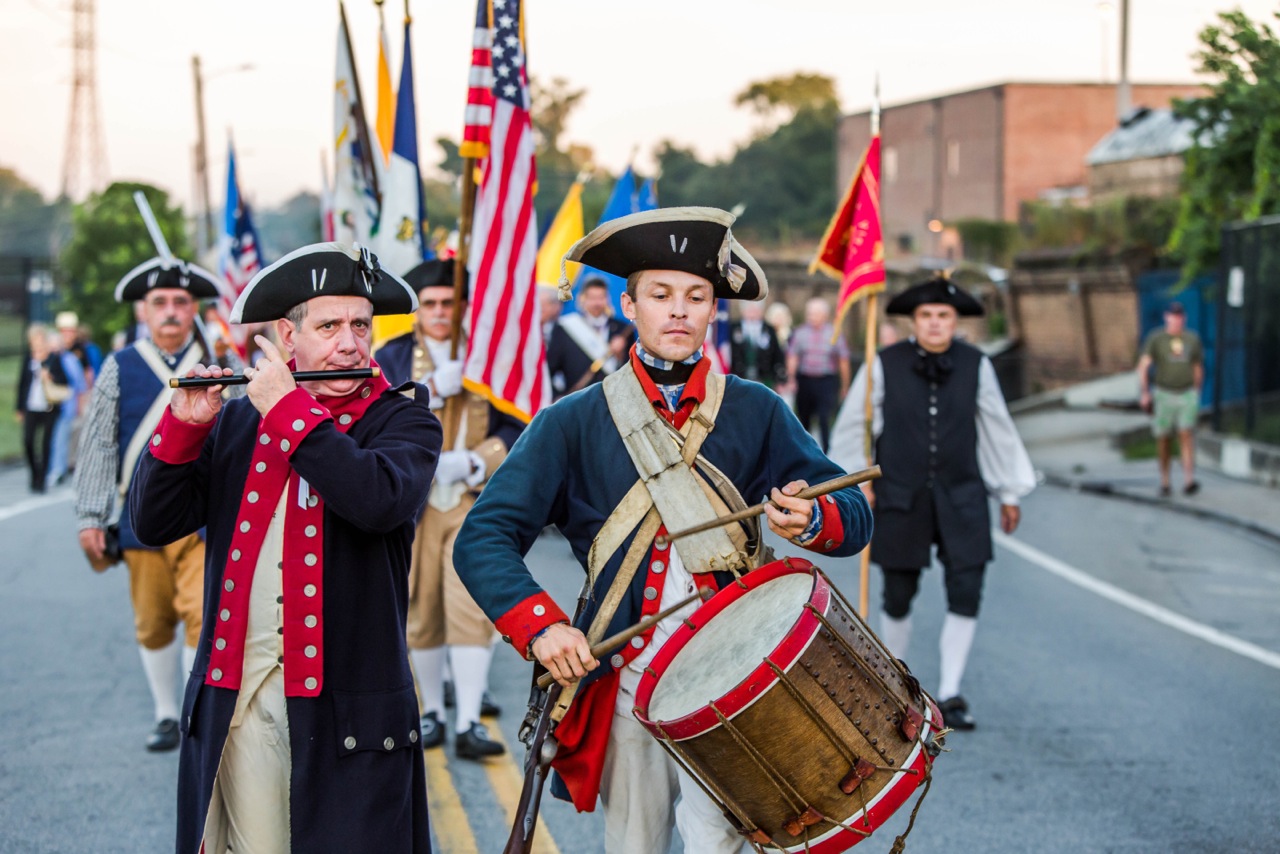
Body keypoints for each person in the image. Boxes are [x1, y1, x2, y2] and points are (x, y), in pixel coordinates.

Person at [455, 207, 872, 854]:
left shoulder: (757, 409)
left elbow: (852, 515)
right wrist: (542, 626)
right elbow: (484, 536)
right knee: (635, 844)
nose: (678, 311)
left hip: (740, 671)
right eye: (660, 295)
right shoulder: (571, 421)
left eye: (696, 297)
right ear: (630, 305)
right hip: (628, 672)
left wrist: (813, 517)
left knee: (721, 841)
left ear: (713, 312)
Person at [129, 243, 438, 854]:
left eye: (360, 325)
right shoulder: (239, 421)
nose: (349, 343)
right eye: (328, 327)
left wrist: (289, 410)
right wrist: (187, 425)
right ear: (286, 338)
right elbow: (151, 520)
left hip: (350, 711)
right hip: (243, 701)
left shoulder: (404, 421)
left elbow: (376, 499)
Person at [829, 274, 1035, 731]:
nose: (936, 324)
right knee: (898, 593)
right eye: (926, 316)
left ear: (955, 320)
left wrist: (1009, 490)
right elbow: (852, 426)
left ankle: (950, 692)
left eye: (944, 316)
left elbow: (997, 426)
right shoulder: (882, 363)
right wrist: (856, 479)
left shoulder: (977, 364)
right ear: (913, 321)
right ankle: (897, 688)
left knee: (967, 588)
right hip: (900, 495)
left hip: (963, 494)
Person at [75, 257, 227, 752]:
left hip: (202, 516)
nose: (170, 311)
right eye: (159, 302)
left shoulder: (216, 357)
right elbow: (99, 443)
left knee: (203, 612)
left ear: (194, 309)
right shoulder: (119, 367)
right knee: (153, 617)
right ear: (143, 310)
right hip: (140, 514)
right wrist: (92, 516)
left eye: (181, 302)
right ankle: (165, 712)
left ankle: (191, 708)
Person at [375, 257, 523, 759]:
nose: (440, 312)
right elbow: (374, 416)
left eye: (448, 303)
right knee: (421, 607)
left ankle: (467, 722)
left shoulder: (488, 360)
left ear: (462, 307)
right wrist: (433, 390)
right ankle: (431, 712)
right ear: (418, 311)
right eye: (431, 304)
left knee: (470, 609)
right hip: (415, 502)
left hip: (469, 500)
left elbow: (516, 423)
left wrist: (477, 462)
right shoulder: (391, 357)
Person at [1137, 301, 1204, 497]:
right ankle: (1165, 481)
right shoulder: (1157, 339)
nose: (1176, 320)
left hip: (1186, 393)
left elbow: (1197, 367)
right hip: (1164, 393)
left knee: (1186, 434)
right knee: (1164, 438)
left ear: (1184, 318)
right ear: (1167, 317)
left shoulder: (1192, 339)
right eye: (1173, 316)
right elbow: (1144, 366)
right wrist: (1145, 393)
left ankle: (1188, 480)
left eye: (1179, 316)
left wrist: (1196, 392)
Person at [545, 276, 637, 400]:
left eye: (601, 298)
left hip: (612, 400)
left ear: (607, 299)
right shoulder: (565, 327)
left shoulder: (623, 330)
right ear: (582, 299)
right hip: (576, 400)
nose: (597, 303)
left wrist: (620, 355)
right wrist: (557, 397)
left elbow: (632, 370)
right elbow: (549, 369)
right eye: (592, 298)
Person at [786, 296, 851, 451]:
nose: (811, 317)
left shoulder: (834, 333)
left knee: (824, 418)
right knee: (803, 418)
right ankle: (804, 452)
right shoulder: (800, 332)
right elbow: (793, 356)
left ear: (824, 315)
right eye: (809, 313)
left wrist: (845, 386)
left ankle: (826, 453)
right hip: (805, 380)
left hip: (826, 382)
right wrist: (791, 378)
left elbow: (843, 360)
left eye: (815, 313)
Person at [16, 324, 70, 494]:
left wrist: (50, 376)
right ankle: (34, 472)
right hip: (31, 406)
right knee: (28, 441)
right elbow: (22, 383)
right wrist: (19, 408)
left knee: (46, 443)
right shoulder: (28, 359)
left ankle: (42, 479)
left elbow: (64, 382)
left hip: (49, 407)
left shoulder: (53, 358)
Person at [47, 313, 89, 486]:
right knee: (57, 437)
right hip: (55, 404)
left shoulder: (76, 354)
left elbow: (82, 381)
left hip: (68, 403)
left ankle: (61, 468)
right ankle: (56, 467)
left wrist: (81, 403)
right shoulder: (53, 357)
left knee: (65, 437)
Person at [728, 299, 786, 389]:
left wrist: (779, 378)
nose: (752, 312)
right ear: (742, 310)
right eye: (749, 309)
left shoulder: (769, 329)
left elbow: (777, 354)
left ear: (761, 311)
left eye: (755, 309)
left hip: (764, 378)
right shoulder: (733, 328)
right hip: (739, 377)